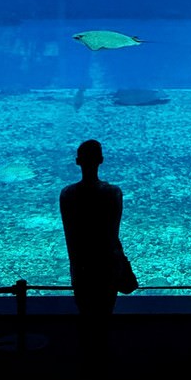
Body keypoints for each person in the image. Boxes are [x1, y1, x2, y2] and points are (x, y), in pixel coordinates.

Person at [60, 139, 127, 359]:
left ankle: (87, 362)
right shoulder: (113, 193)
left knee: (86, 314)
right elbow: (112, 234)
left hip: (80, 264)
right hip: (106, 265)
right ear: (101, 160)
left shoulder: (67, 195)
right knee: (104, 315)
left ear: (78, 161)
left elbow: (71, 233)